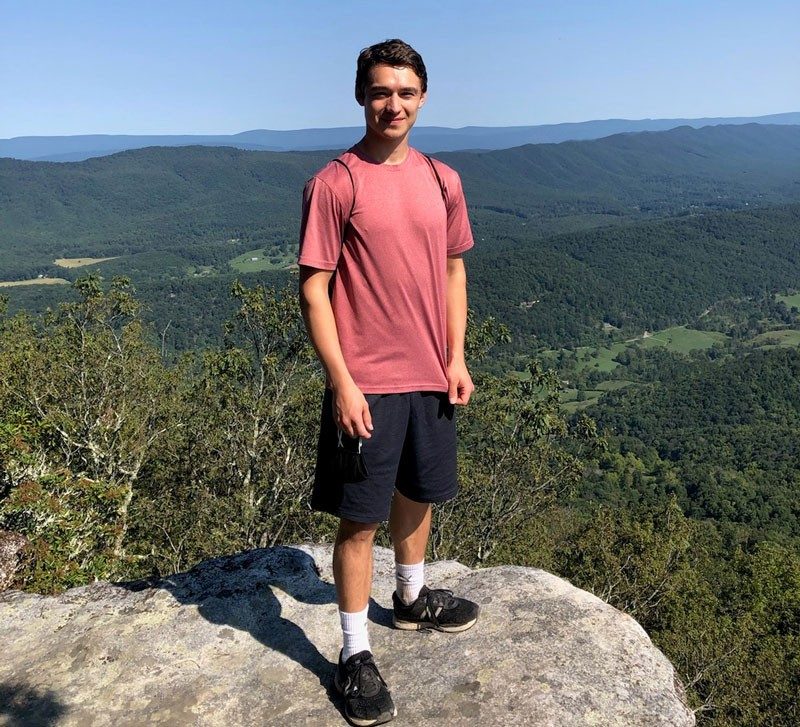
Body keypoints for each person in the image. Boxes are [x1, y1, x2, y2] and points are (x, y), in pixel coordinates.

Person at [298, 38, 479, 726]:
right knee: (360, 518)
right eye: (380, 92)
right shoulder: (336, 182)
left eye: (404, 92)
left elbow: (454, 270)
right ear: (361, 97)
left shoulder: (442, 179)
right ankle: (352, 651)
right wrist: (340, 380)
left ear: (423, 98)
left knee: (420, 491)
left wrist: (455, 355)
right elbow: (315, 290)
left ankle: (410, 597)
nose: (392, 104)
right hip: (366, 380)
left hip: (431, 373)